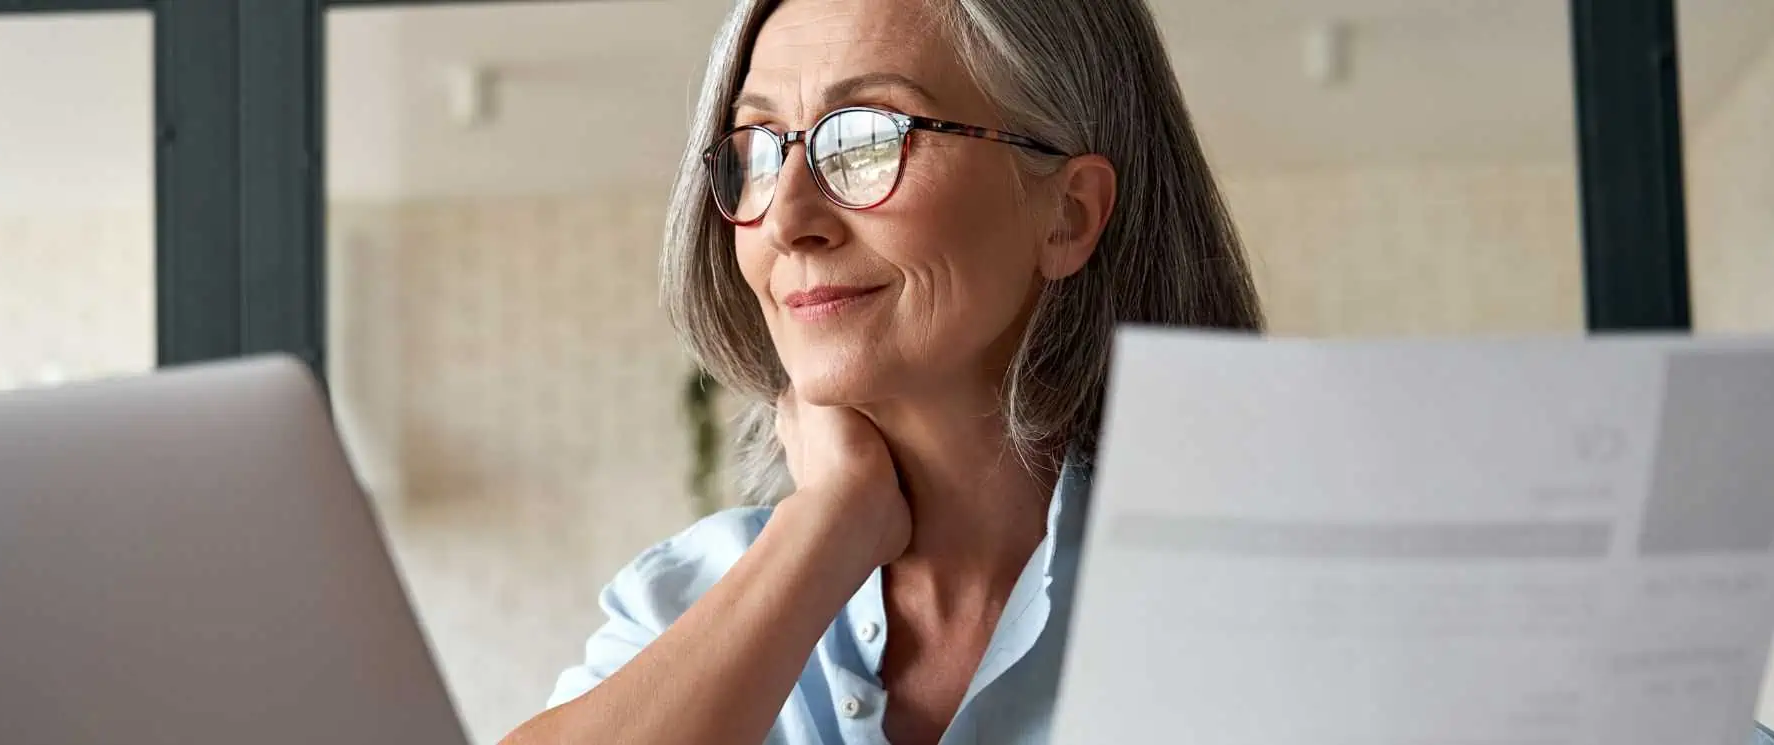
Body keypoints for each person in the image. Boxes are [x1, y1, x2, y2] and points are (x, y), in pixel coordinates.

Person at [504, 0, 1261, 741]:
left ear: (1068, 212)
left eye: (868, 139)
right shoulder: (681, 599)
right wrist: (829, 524)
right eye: (757, 147)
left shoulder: (1245, 589)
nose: (787, 219)